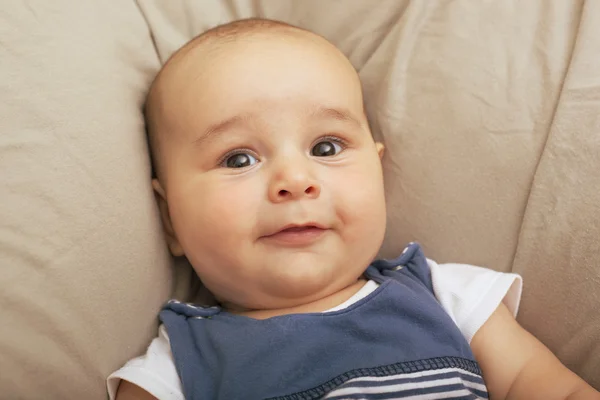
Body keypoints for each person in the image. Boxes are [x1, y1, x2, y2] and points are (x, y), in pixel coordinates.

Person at [108, 18, 600, 400]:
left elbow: (555, 388)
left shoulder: (446, 297)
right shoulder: (175, 366)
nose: (295, 181)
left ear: (378, 174)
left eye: (325, 148)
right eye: (239, 158)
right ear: (170, 218)